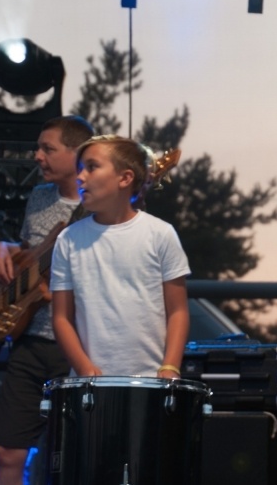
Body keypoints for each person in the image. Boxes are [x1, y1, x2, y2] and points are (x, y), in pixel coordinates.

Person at [0, 115, 95, 485]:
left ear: (77, 153)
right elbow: (33, 253)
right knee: (7, 452)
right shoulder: (39, 196)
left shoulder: (100, 205)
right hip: (30, 342)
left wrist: (62, 290)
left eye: (48, 149)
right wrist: (6, 246)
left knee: (71, 457)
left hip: (78, 345)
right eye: (38, 148)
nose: (37, 156)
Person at [50, 135, 190, 378]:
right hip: (89, 383)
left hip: (151, 380)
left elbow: (178, 310)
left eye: (92, 167)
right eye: (80, 169)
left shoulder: (161, 234)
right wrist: (84, 367)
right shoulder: (68, 239)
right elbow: (61, 317)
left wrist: (170, 366)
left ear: (125, 178)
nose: (80, 177)